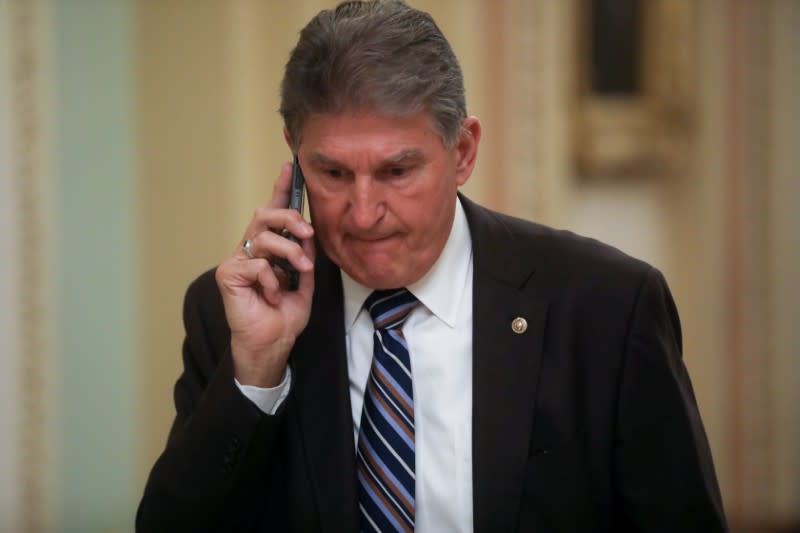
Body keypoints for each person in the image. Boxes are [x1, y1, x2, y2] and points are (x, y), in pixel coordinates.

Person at [137, 1, 727, 531]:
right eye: (334, 173)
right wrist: (257, 370)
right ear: (294, 153)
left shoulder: (606, 308)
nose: (363, 214)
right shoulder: (234, 313)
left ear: (463, 151)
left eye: (397, 171)